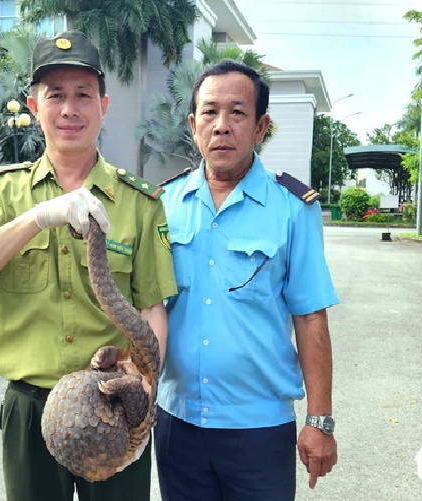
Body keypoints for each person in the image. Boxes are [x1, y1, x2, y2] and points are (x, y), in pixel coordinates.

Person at [0, 30, 177, 501]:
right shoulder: (2, 192)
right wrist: (34, 218)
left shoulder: (140, 202)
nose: (70, 109)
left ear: (103, 106)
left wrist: (143, 382)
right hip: (31, 407)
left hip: (112, 405)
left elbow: (152, 308)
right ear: (34, 106)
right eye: (56, 96)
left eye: (83, 95)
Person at [154, 60, 340, 501]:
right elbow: (149, 309)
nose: (221, 126)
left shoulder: (294, 207)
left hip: (259, 428)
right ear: (193, 124)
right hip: (177, 422)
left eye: (237, 113)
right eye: (210, 112)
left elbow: (310, 317)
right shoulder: (162, 204)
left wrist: (320, 421)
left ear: (261, 128)